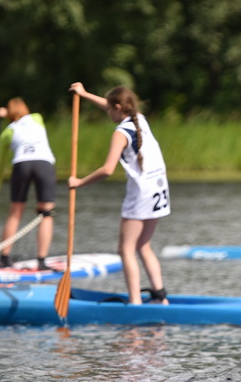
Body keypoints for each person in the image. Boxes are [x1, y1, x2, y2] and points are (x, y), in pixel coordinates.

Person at [67, 82, 170, 305]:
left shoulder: (120, 132)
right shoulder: (139, 118)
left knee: (125, 249)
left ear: (117, 107)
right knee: (143, 246)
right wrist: (84, 94)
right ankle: (161, 298)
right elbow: (109, 104)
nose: (107, 113)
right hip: (159, 190)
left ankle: (135, 303)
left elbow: (107, 170)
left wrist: (79, 183)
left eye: (109, 110)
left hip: (141, 195)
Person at [0, 98, 57, 270]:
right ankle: (41, 261)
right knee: (46, 212)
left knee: (15, 212)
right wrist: (9, 113)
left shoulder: (7, 132)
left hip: (22, 164)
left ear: (9, 115)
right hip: (43, 164)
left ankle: (4, 258)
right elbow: (21, 116)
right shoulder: (37, 118)